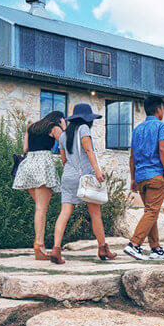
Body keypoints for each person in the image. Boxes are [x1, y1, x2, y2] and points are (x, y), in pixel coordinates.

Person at [50, 103, 117, 264]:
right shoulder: (84, 129)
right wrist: (97, 171)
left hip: (68, 176)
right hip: (85, 177)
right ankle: (102, 248)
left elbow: (64, 159)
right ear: (87, 119)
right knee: (95, 214)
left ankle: (56, 249)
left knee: (64, 213)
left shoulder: (64, 135)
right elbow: (88, 150)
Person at [12, 111, 65, 260]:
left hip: (28, 165)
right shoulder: (54, 127)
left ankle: (40, 245)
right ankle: (39, 245)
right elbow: (65, 144)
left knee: (40, 207)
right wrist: (63, 128)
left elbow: (25, 149)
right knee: (41, 209)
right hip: (42, 165)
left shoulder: (31, 127)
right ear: (59, 119)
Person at [123, 96, 164, 260]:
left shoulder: (137, 129)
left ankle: (156, 248)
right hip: (156, 175)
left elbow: (132, 156)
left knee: (151, 212)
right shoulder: (161, 126)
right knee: (152, 211)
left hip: (141, 177)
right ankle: (134, 244)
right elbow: (162, 149)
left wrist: (133, 179)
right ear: (159, 109)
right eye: (163, 108)